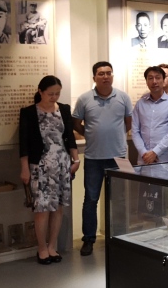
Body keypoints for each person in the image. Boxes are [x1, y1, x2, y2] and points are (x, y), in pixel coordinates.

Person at [72, 62, 133, 256]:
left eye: (108, 73)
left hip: (118, 156)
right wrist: (90, 134)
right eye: (101, 74)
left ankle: (119, 237)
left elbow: (128, 122)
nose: (105, 77)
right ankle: (89, 239)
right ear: (94, 77)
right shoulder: (84, 99)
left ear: (112, 76)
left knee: (120, 199)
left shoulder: (123, 97)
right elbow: (76, 123)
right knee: (91, 199)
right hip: (94, 157)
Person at [19, 76, 79, 264]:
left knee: (58, 207)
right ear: (40, 92)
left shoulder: (64, 109)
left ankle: (53, 246)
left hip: (62, 163)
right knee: (42, 208)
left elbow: (69, 136)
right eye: (50, 94)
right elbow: (24, 143)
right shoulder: (29, 112)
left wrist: (76, 159)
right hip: (40, 165)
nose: (54, 97)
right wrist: (24, 168)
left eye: (57, 94)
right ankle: (42, 248)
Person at [132, 66, 168, 164]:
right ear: (146, 82)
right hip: (144, 159)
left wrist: (155, 152)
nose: (154, 81)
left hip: (165, 159)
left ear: (163, 80)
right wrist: (143, 152)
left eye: (158, 78)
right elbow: (135, 131)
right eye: (150, 78)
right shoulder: (140, 104)